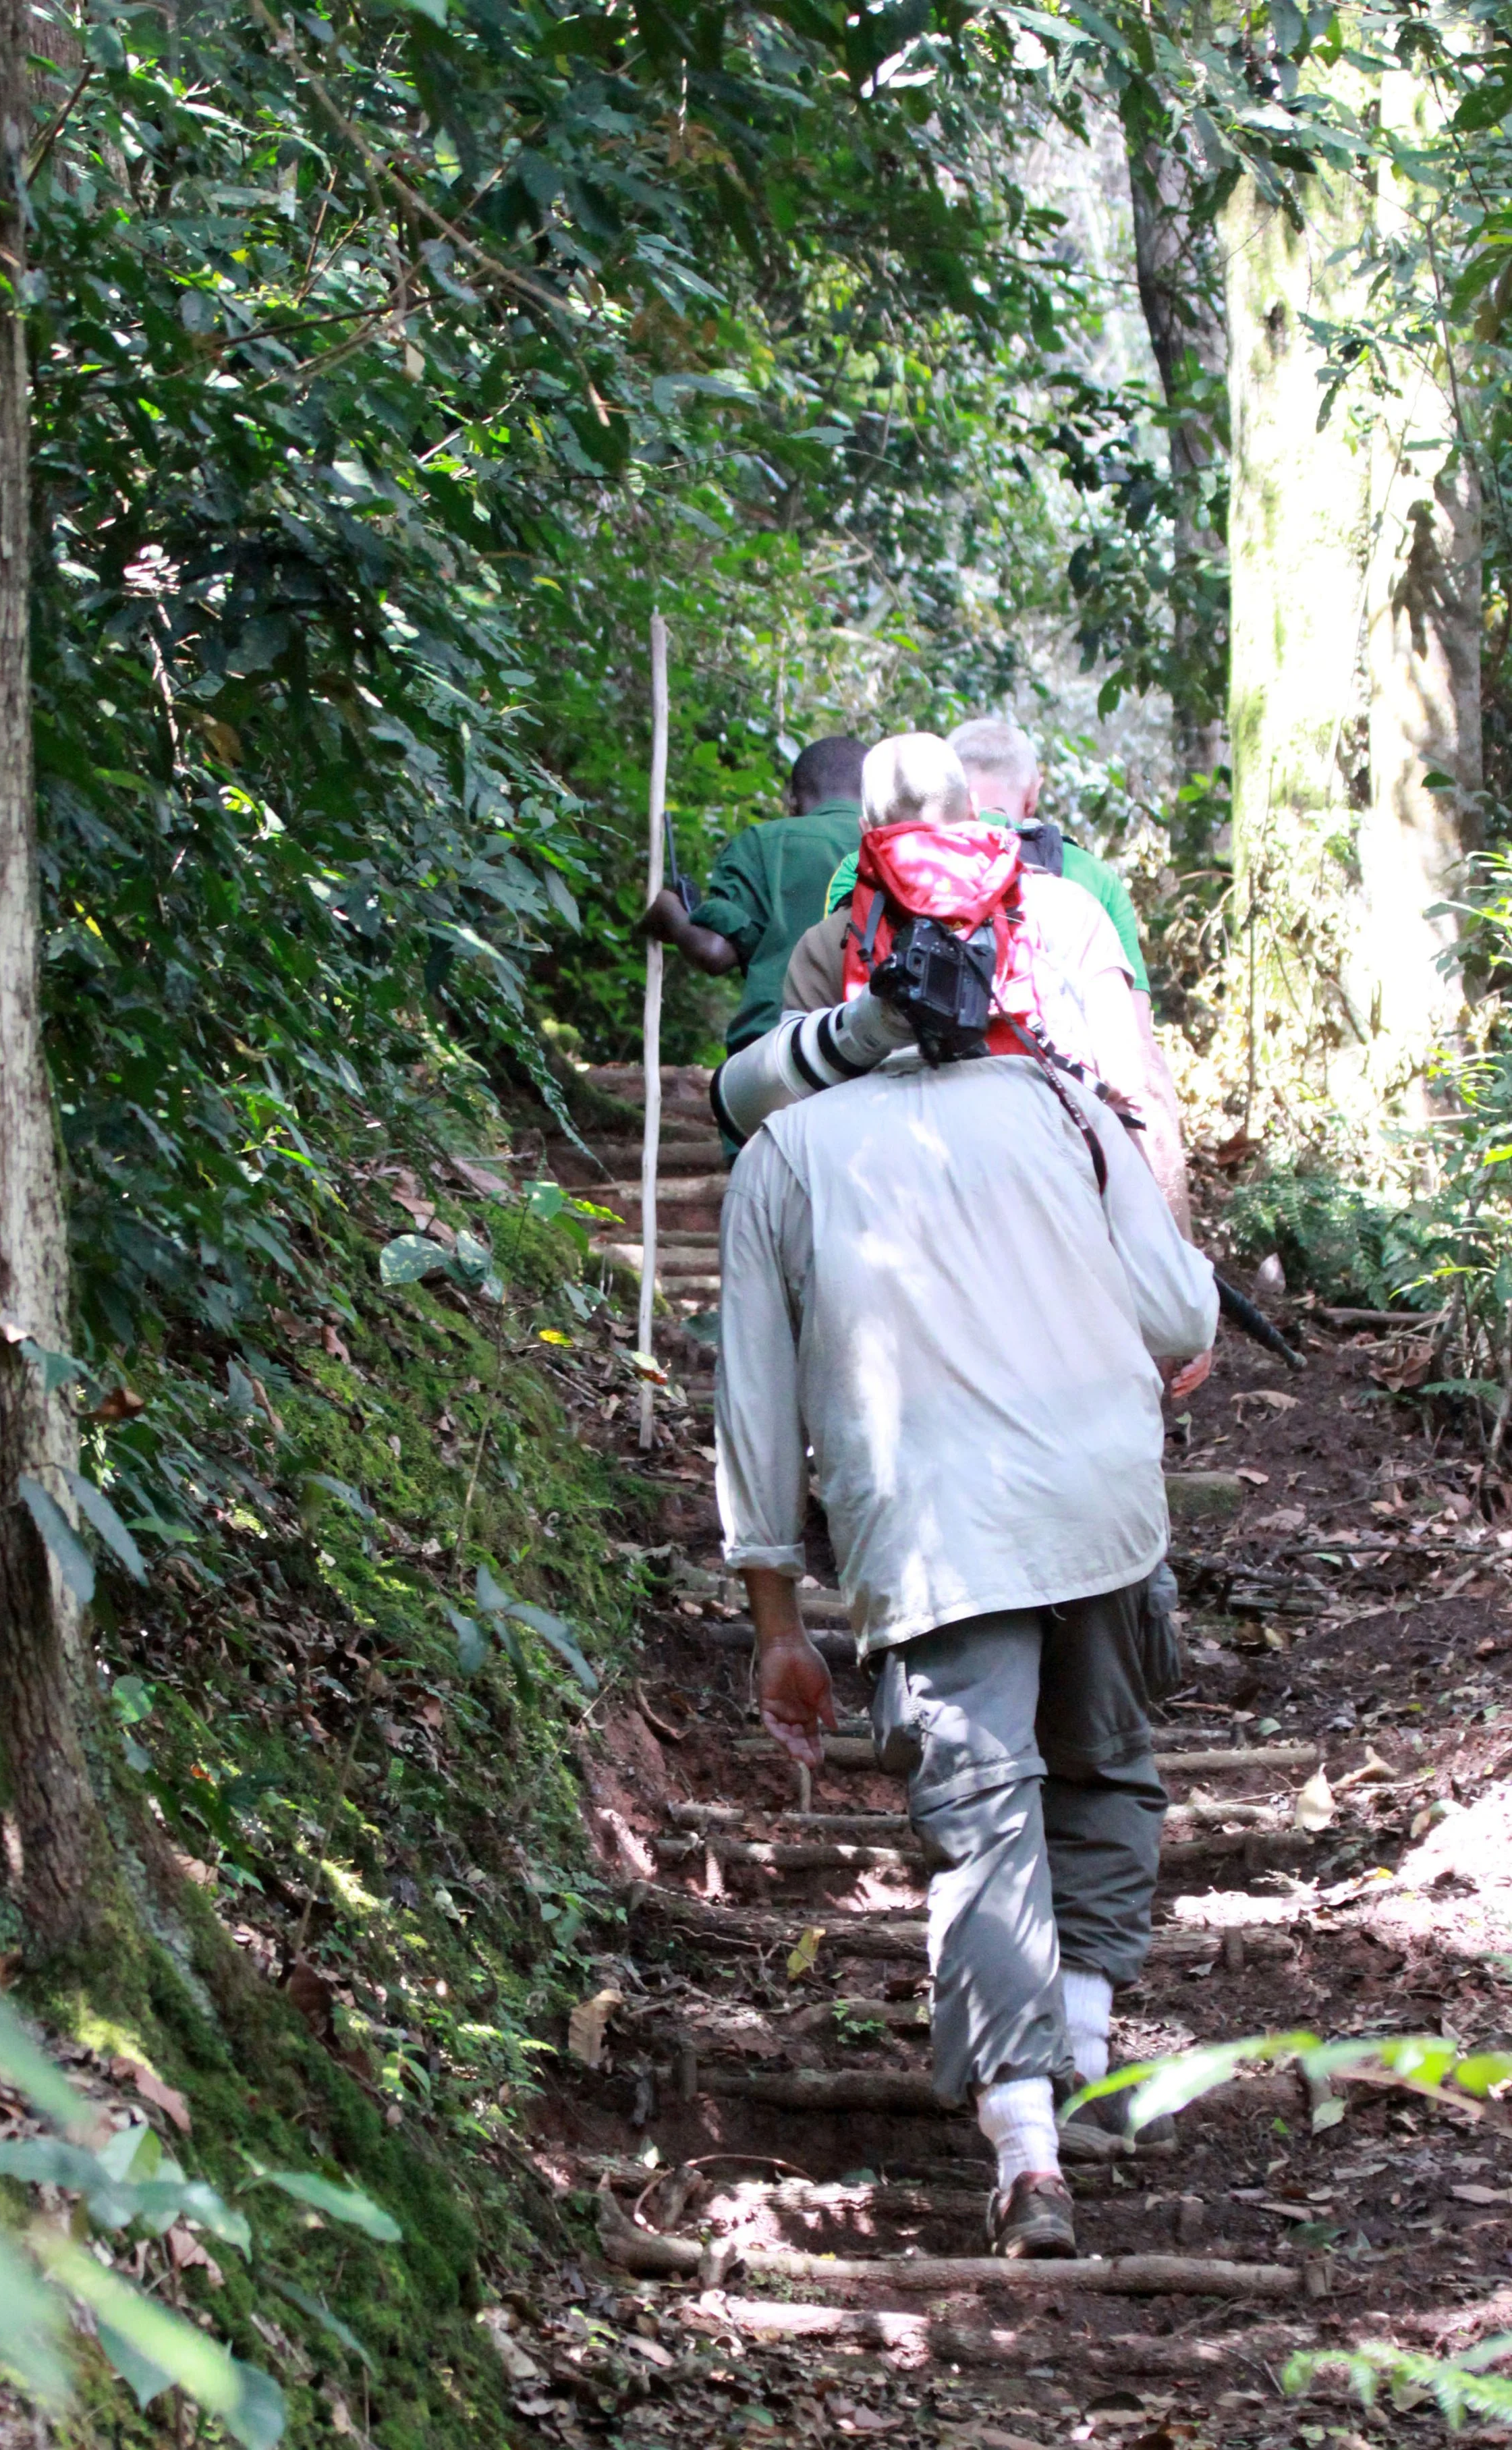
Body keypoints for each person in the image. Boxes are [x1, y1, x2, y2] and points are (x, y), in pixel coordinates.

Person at [715, 1020, 1219, 2258]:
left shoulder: (780, 1151)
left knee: (986, 1812)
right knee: (1100, 1762)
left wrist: (781, 1624)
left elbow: (756, 1411)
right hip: (1098, 1494)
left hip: (928, 1521)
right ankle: (1086, 2057)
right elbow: (1173, 1313)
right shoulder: (1060, 1100)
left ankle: (1028, 2150)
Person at [804, 717, 1190, 1229]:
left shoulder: (843, 921)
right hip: (1047, 1197)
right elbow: (1136, 1080)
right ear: (974, 808)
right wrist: (1175, 1256)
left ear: (865, 832)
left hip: (893, 1213)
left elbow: (799, 1095)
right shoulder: (1080, 892)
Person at [641, 735, 866, 1069]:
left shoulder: (763, 843)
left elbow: (713, 953)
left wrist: (669, 912)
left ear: (791, 797)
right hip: (876, 1050)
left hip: (778, 1054)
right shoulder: (905, 851)